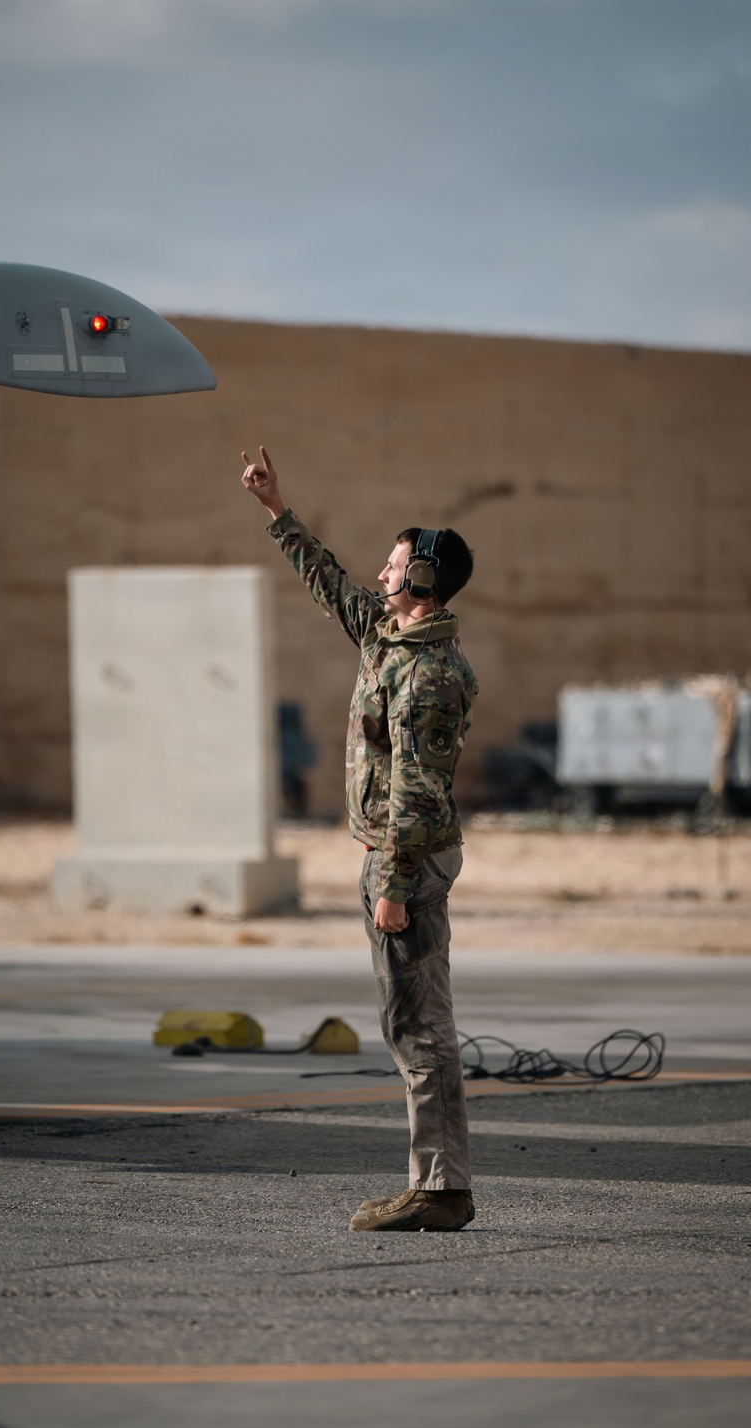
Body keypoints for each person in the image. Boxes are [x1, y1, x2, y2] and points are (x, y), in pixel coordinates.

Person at [240, 446, 479, 1232]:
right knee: (407, 1023)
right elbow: (331, 585)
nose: (380, 576)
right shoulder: (388, 639)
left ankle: (439, 1189)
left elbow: (418, 786)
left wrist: (394, 885)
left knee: (419, 1028)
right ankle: (437, 1183)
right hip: (388, 854)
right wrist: (279, 511)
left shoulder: (431, 674)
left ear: (422, 582)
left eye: (393, 566)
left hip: (405, 860)